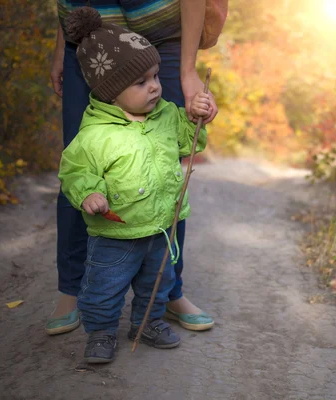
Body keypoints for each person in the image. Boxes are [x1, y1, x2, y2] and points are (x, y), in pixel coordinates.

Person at [46, 0, 217, 335]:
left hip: (160, 36)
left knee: (164, 166)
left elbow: (187, 141)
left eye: (155, 81)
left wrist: (189, 76)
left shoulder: (156, 87)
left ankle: (168, 293)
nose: (154, 87)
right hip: (87, 47)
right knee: (82, 165)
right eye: (147, 82)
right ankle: (71, 288)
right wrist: (60, 46)